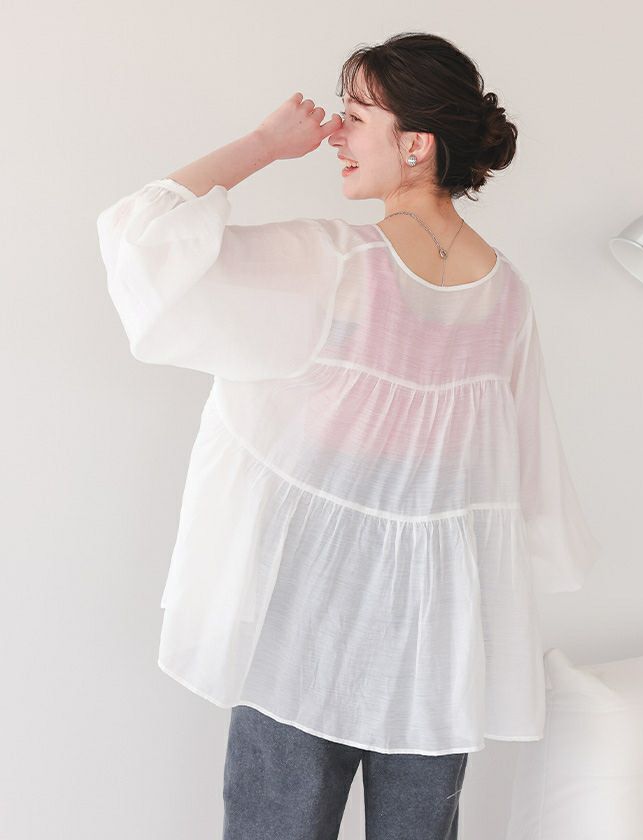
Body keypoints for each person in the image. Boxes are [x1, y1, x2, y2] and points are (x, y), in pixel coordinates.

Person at [96, 31, 602, 840]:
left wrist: (264, 144)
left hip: (305, 628)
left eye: (357, 115)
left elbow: (144, 239)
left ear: (415, 144)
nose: (335, 132)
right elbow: (525, 479)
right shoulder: (508, 295)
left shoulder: (335, 263)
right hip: (437, 641)